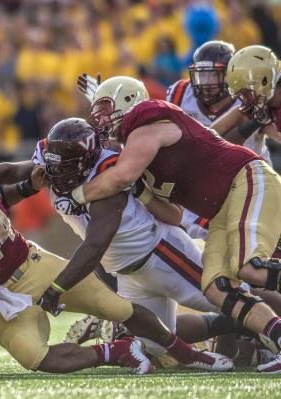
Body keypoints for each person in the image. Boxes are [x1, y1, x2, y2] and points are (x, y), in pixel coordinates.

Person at [44, 75, 281, 373]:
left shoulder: (146, 124)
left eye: (104, 108)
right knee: (219, 289)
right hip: (215, 210)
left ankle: (250, 339)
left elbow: (121, 178)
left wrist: (76, 195)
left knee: (249, 270)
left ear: (127, 102)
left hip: (244, 182)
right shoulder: (135, 150)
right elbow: (175, 215)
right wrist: (142, 194)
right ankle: (269, 334)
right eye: (96, 111)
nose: (99, 118)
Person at [0, 160, 230, 375]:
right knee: (31, 355)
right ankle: (116, 350)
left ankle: (190, 355)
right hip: (4, 297)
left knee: (116, 306)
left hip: (35, 264)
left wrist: (29, 184)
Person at [29, 118, 237, 362]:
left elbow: (96, 245)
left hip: (159, 253)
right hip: (128, 272)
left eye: (67, 165)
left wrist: (56, 288)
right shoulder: (49, 169)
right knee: (154, 344)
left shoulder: (109, 174)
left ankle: (262, 328)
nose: (58, 172)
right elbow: (9, 173)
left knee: (235, 302)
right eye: (56, 164)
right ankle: (236, 329)